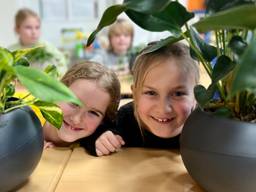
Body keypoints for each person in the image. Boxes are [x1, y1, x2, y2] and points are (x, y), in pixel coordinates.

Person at [92, 41, 200, 156]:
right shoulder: (124, 119)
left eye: (178, 94)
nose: (163, 109)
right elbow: (91, 132)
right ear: (135, 95)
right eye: (151, 93)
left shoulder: (208, 124)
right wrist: (100, 140)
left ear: (196, 96)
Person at [43, 61, 121, 149]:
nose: (76, 120)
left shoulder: (91, 143)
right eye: (73, 103)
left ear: (103, 121)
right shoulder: (27, 116)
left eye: (93, 113)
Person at [8, 8, 67, 77]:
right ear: (17, 29)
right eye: (28, 27)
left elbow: (62, 65)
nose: (34, 32)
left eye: (37, 27)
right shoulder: (11, 51)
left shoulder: (47, 47)